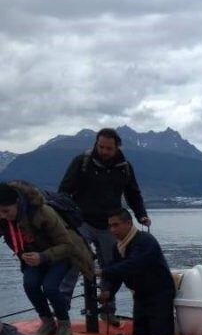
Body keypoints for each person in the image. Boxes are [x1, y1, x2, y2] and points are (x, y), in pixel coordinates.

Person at [59, 127, 151, 324]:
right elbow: (64, 191)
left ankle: (107, 311)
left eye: (108, 148)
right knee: (74, 261)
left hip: (110, 225)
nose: (104, 151)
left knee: (111, 267)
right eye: (101, 146)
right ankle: (62, 309)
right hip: (82, 221)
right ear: (96, 143)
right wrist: (66, 216)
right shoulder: (81, 162)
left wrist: (141, 215)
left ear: (117, 147)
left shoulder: (125, 167)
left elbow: (133, 193)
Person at [0, 181, 94, 335]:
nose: (3, 215)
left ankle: (64, 324)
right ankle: (47, 321)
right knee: (30, 284)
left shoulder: (43, 212)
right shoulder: (3, 218)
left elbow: (67, 245)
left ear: (16, 202)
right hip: (32, 257)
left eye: (6, 211)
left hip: (59, 254)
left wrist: (42, 257)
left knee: (50, 287)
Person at [98, 209, 176, 335]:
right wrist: (109, 292)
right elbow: (118, 274)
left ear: (128, 223)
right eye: (110, 226)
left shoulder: (145, 241)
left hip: (160, 293)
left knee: (160, 334)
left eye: (116, 225)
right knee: (140, 333)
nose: (112, 230)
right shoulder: (118, 247)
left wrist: (103, 272)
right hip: (140, 294)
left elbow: (133, 265)